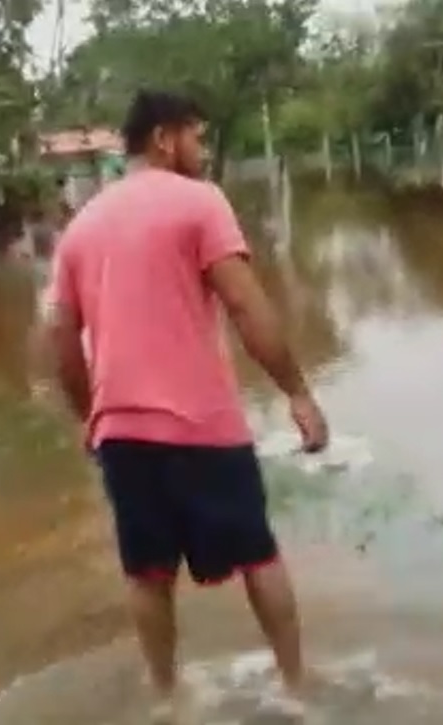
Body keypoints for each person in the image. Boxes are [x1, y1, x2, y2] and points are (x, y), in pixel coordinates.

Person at [43, 89, 330, 721]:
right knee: (258, 554)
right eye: (196, 138)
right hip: (202, 424)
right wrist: (298, 392)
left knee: (146, 572)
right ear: (165, 138)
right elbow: (248, 306)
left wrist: (91, 418)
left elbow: (60, 340)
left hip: (121, 431)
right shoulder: (200, 202)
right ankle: (296, 687)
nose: (201, 150)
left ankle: (167, 699)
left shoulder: (80, 227)